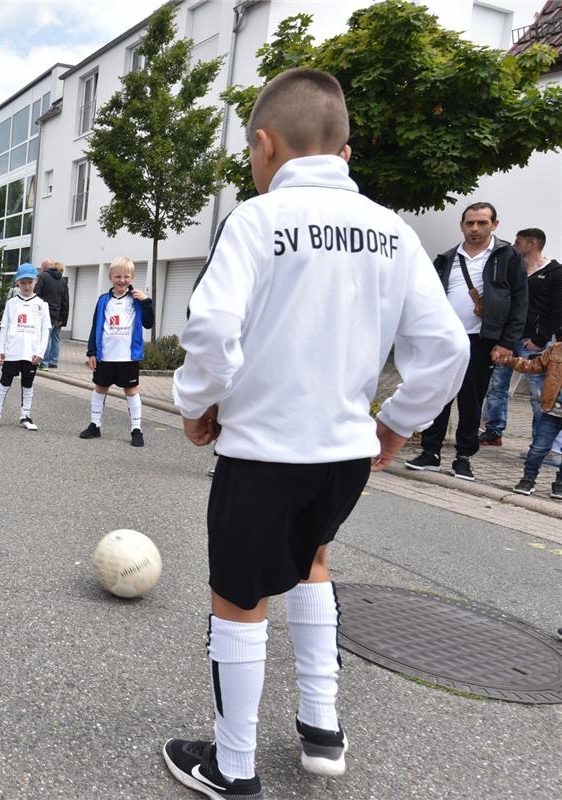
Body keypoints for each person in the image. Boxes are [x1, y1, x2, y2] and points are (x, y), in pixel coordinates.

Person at [166, 68, 469, 799]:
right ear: (347, 152)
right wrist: (396, 425)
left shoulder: (257, 218)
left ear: (265, 146)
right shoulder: (393, 232)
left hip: (265, 451)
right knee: (313, 562)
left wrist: (195, 402)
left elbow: (211, 327)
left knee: (239, 599)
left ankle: (233, 766)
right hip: (343, 454)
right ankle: (321, 729)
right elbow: (447, 348)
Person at [404, 202, 527, 481]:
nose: (474, 228)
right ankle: (430, 452)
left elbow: (520, 302)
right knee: (438, 396)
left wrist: (506, 342)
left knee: (471, 400)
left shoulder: (507, 256)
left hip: (480, 340)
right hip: (445, 338)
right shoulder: (447, 257)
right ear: (462, 225)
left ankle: (463, 457)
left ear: (494, 225)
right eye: (470, 223)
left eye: (482, 223)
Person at [479, 227, 561, 447]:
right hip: (508, 338)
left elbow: (558, 309)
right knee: (497, 385)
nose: (514, 246)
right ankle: (493, 430)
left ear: (532, 243)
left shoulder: (554, 272)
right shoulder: (515, 270)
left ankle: (543, 443)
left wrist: (541, 337)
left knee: (539, 393)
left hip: (533, 343)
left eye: (519, 242)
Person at [79, 258, 153, 447]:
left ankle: (136, 429)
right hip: (106, 356)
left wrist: (146, 302)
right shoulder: (104, 299)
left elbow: (148, 323)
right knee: (100, 388)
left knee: (131, 391)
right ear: (110, 277)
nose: (122, 280)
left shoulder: (137, 300)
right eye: (117, 276)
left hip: (127, 356)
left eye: (126, 276)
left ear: (132, 277)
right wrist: (92, 352)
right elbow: (96, 326)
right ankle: (95, 425)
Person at [0, 264, 50, 431]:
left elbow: (45, 331)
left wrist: (40, 352)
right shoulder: (11, 303)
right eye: (23, 282)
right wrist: (1, 349)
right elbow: (4, 327)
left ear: (35, 282)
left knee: (27, 384)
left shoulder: (42, 305)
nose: (27, 286)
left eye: (30, 282)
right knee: (4, 382)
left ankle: (25, 416)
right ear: (17, 283)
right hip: (13, 351)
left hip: (31, 354)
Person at [500, 342, 562, 499]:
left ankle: (560, 484)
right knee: (538, 448)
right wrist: (510, 360)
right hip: (552, 411)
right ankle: (528, 479)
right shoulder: (556, 348)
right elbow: (534, 365)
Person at [35, 258, 69, 369]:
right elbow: (65, 300)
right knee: (55, 338)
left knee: (46, 338)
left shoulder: (42, 277)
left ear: (43, 268)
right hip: (58, 315)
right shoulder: (63, 281)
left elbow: (36, 295)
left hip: (46, 314)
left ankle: (44, 363)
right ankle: (54, 361)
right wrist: (63, 318)